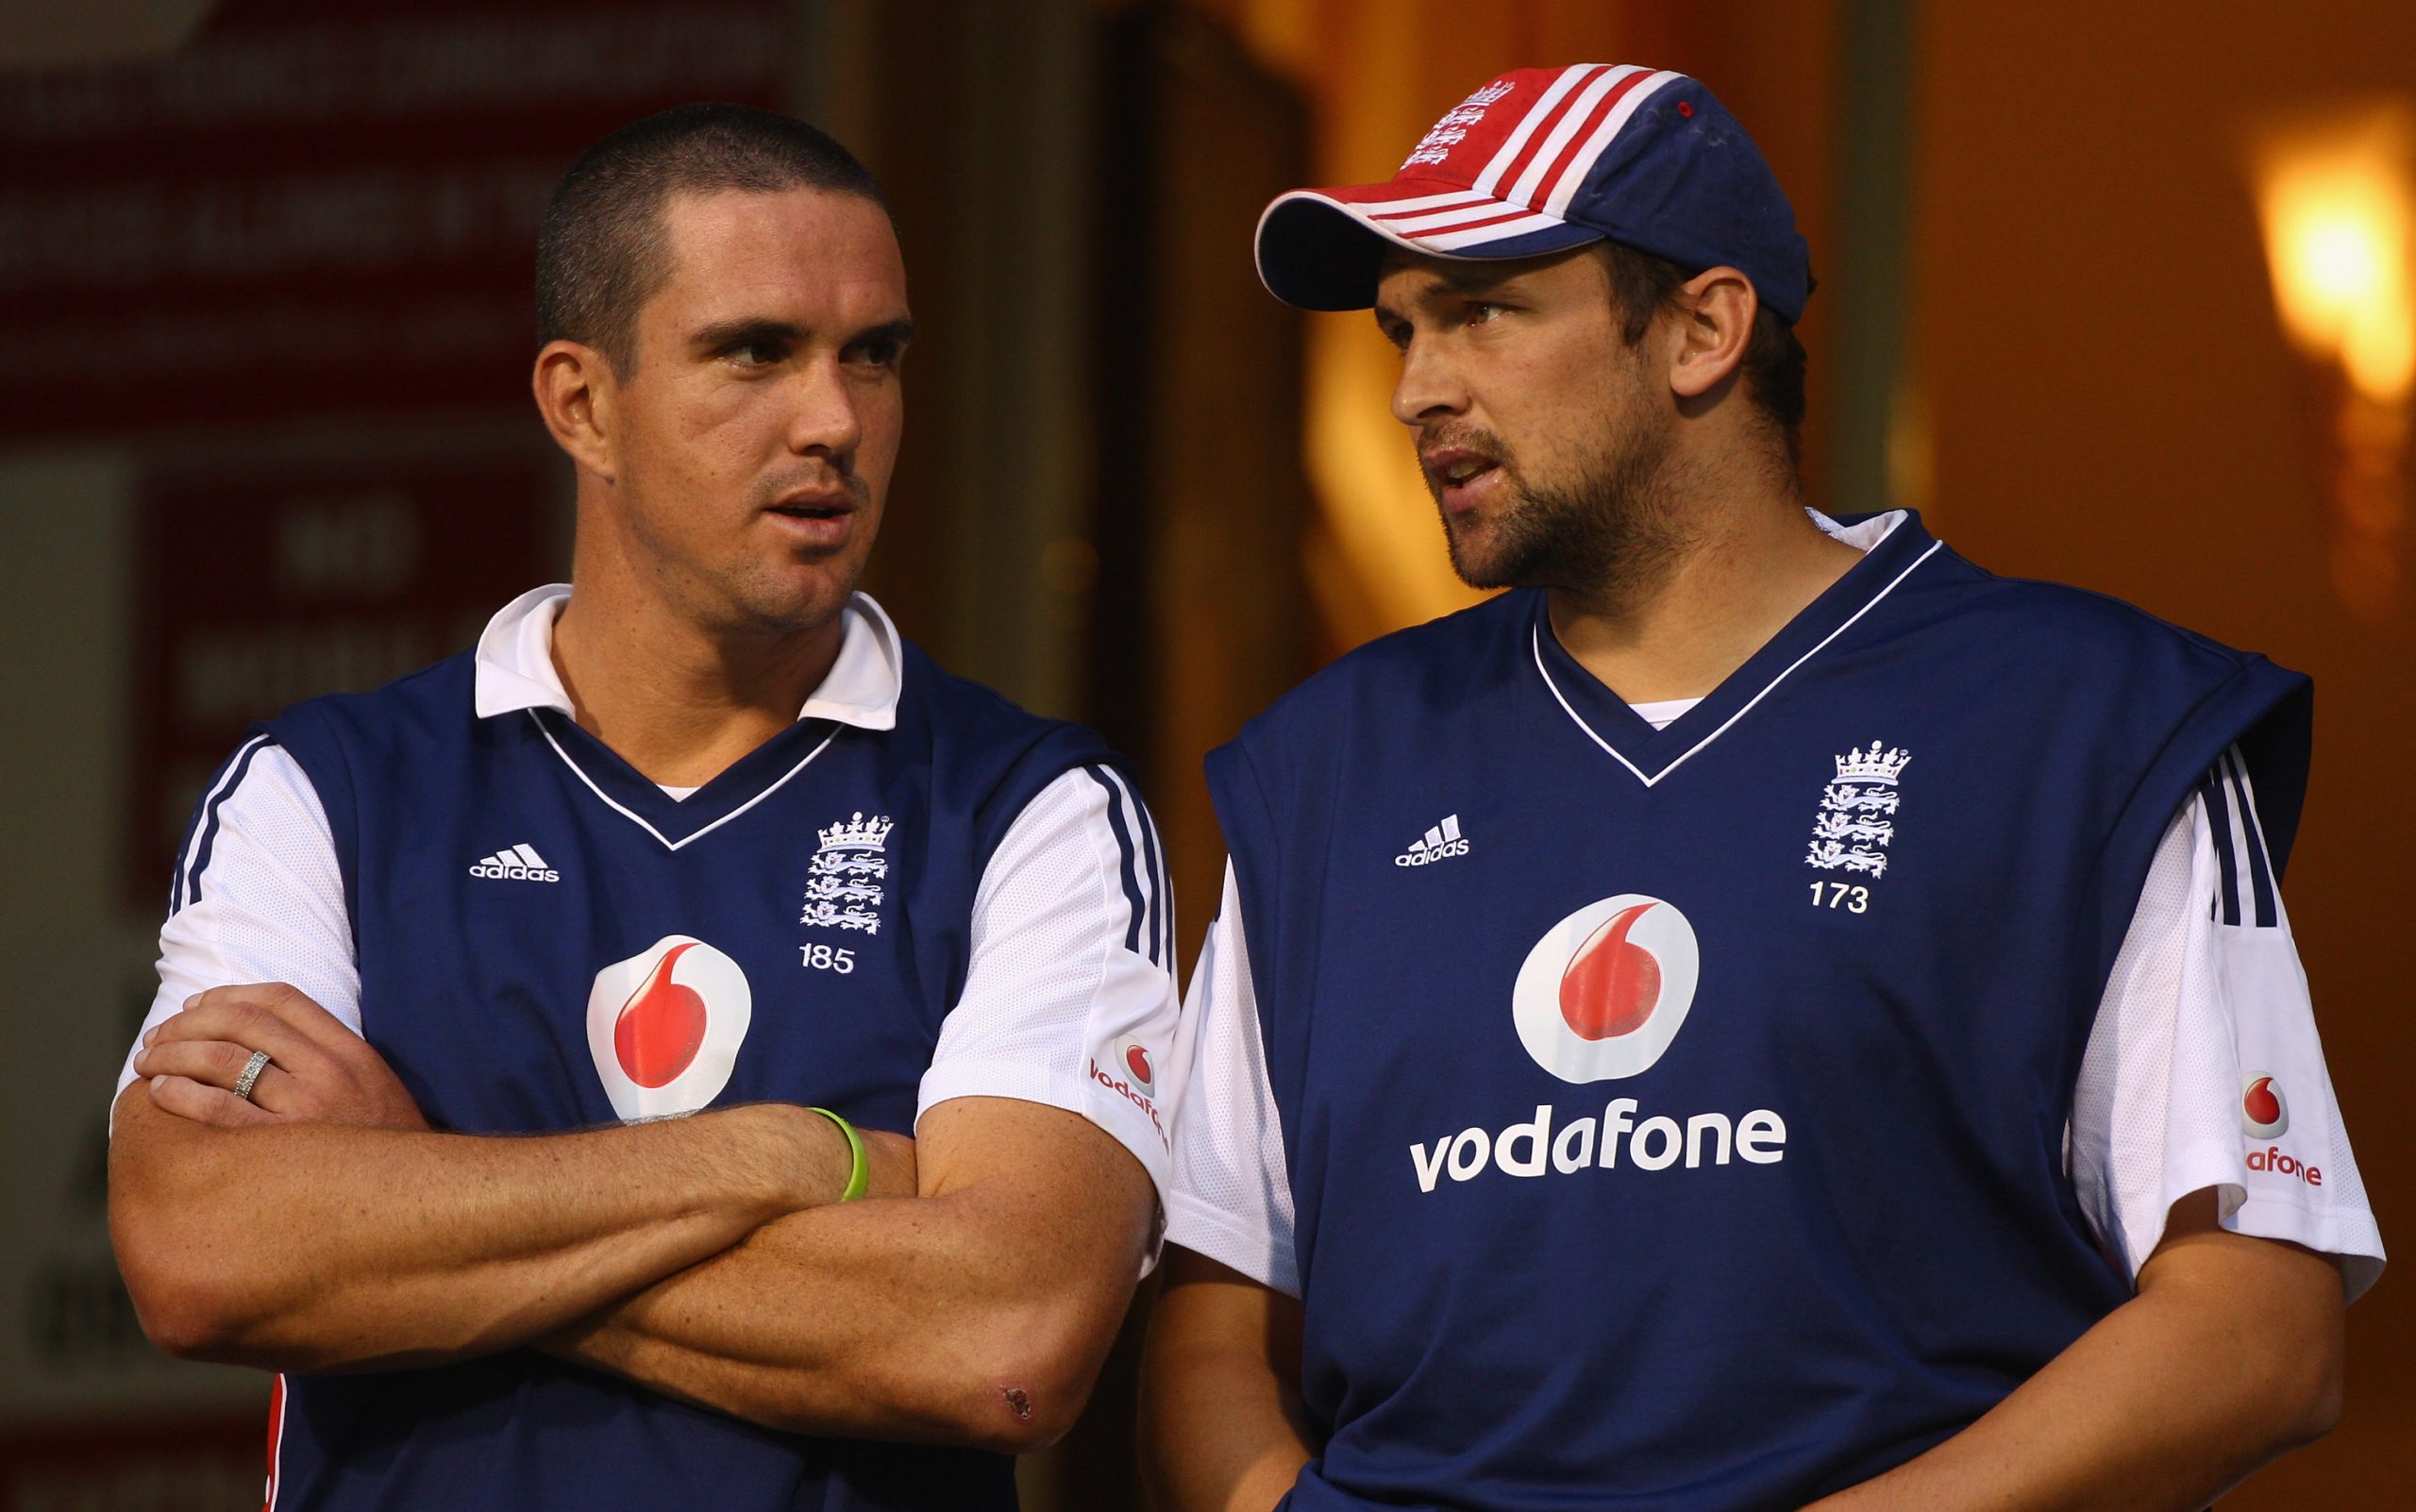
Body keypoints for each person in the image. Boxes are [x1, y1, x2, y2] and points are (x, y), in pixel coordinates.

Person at [1141, 63, 2383, 1512]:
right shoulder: (1327, 767)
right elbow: (1218, 1316)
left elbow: (2259, 1323)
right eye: (1402, 327)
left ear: (1703, 329)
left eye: (1482, 309)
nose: (1418, 387)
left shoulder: (2083, 722)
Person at [109, 103, 1179, 1512]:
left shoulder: (1033, 805)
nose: (834, 420)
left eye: (876, 355)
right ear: (582, 404)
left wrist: (413, 1195)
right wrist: (798, 1157)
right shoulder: (325, 788)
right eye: (756, 352)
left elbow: (1002, 1340)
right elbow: (202, 1250)